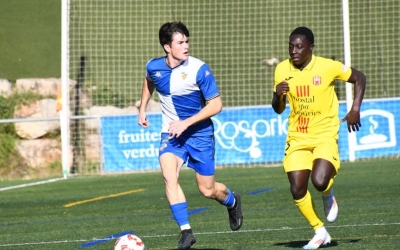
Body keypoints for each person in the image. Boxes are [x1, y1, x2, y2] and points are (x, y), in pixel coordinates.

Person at [138, 21, 243, 250]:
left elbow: (216, 105)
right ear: (167, 47)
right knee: (168, 175)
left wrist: (186, 123)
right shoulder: (154, 66)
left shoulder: (199, 69)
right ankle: (186, 231)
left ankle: (232, 201)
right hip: (171, 133)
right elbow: (149, 81)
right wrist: (143, 107)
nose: (186, 46)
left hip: (199, 134)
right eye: (180, 42)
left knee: (207, 190)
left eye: (187, 41)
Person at [271, 27, 366, 249]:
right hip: (297, 136)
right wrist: (277, 95)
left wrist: (355, 109)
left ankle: (327, 193)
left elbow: (359, 77)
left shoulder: (327, 66)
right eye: (290, 46)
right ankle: (319, 231)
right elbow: (278, 109)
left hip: (324, 133)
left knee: (320, 181)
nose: (293, 51)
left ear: (310, 48)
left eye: (299, 47)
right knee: (296, 188)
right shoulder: (281, 69)